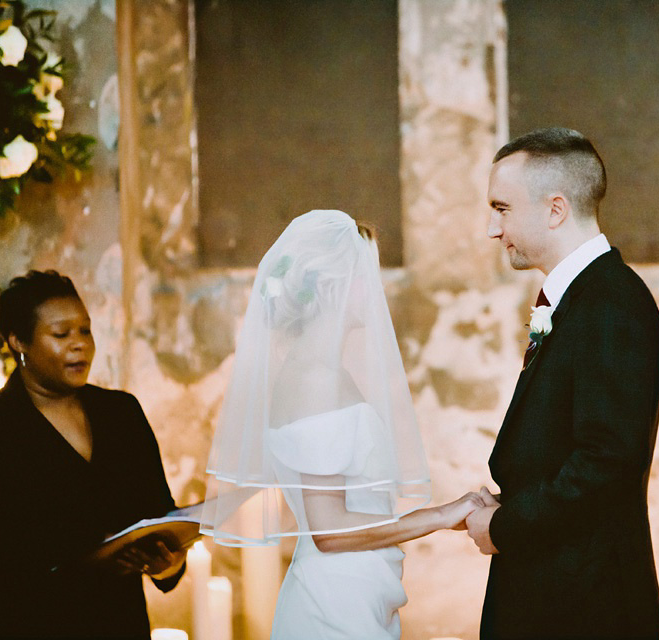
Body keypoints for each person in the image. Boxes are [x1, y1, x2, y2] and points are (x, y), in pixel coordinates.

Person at [200, 210, 484, 640]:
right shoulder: (316, 378)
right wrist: (442, 515)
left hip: (356, 595)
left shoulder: (322, 372)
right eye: (366, 272)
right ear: (333, 285)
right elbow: (328, 531)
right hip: (333, 608)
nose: (377, 287)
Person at [465, 127, 659, 639]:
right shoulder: (583, 298)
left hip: (585, 605)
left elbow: (605, 462)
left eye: (502, 208)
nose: (492, 228)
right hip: (555, 588)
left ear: (555, 209)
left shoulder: (611, 305)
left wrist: (504, 527)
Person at [0, 270, 187, 638]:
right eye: (61, 334)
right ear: (18, 341)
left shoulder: (121, 413)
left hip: (116, 622)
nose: (80, 345)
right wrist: (89, 544)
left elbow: (158, 510)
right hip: (22, 624)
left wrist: (170, 562)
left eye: (85, 331)